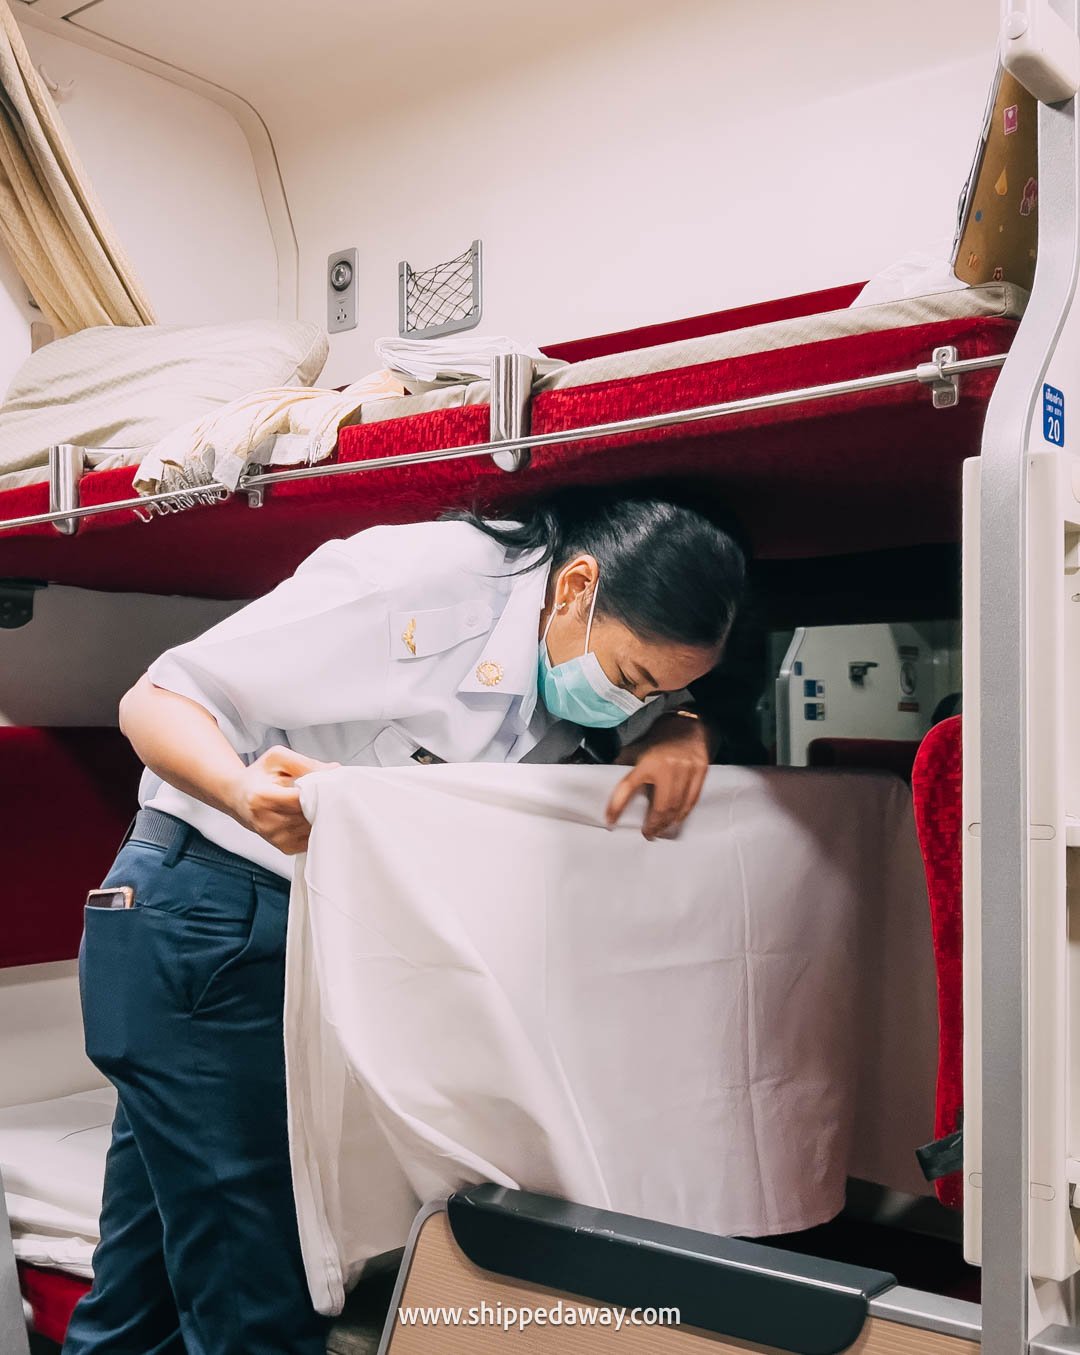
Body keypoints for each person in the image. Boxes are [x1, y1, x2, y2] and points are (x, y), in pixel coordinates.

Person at [63, 487, 746, 1355]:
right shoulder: (423, 582)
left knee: (141, 1293)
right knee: (258, 1302)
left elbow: (636, 709)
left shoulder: (569, 661)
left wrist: (680, 722)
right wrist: (239, 788)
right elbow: (155, 699)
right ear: (574, 587)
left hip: (299, 937)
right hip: (208, 922)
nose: (628, 701)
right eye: (634, 678)